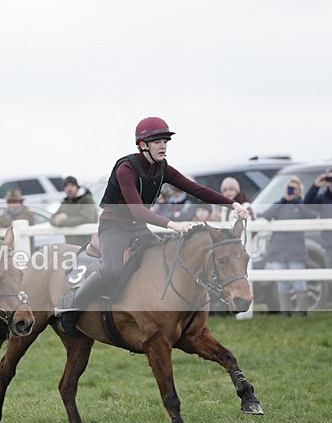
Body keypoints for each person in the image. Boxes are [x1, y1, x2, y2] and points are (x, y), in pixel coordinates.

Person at [59, 117, 250, 331]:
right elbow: (138, 211)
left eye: (165, 142)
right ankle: (72, 305)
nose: (163, 146)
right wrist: (172, 225)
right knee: (112, 269)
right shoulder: (126, 169)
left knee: (165, 259)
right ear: (143, 145)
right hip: (113, 227)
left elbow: (196, 189)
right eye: (158, 142)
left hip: (137, 228)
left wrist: (233, 204)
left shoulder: (162, 168)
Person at [260, 177, 317, 316]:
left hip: (296, 252)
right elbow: (267, 215)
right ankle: (286, 313)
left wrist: (297, 202)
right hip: (278, 251)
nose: (291, 191)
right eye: (289, 188)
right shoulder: (280, 205)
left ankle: (302, 313)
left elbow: (312, 215)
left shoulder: (302, 205)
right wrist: (283, 201)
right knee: (282, 284)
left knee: (299, 282)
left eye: (294, 189)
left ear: (299, 191)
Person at [50, 175, 97, 247]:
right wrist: (57, 220)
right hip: (72, 245)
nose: (69, 189)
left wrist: (64, 221)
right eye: (66, 186)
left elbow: (86, 219)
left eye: (72, 185)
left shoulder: (87, 200)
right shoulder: (65, 202)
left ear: (77, 187)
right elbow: (52, 218)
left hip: (88, 244)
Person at [303, 167, 332, 269]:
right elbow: (307, 204)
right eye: (330, 179)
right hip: (329, 244)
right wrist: (315, 186)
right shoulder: (322, 197)